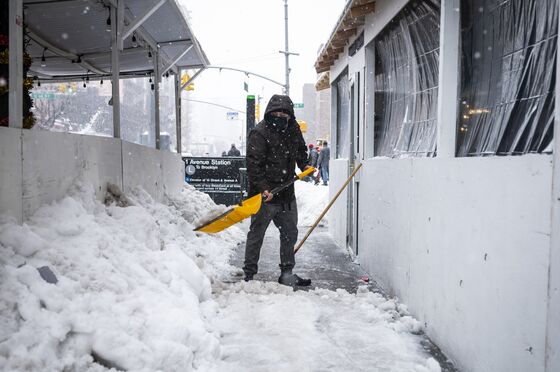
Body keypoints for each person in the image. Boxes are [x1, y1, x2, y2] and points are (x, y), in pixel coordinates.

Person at [244, 94, 312, 287]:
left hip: (286, 195)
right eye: (277, 112)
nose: (281, 116)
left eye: (285, 113)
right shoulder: (260, 133)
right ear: (270, 112)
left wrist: (304, 165)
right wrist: (264, 188)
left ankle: (287, 273)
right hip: (264, 197)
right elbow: (253, 166)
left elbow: (300, 150)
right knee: (257, 234)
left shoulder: (293, 129)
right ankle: (249, 275)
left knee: (290, 233)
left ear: (290, 115)